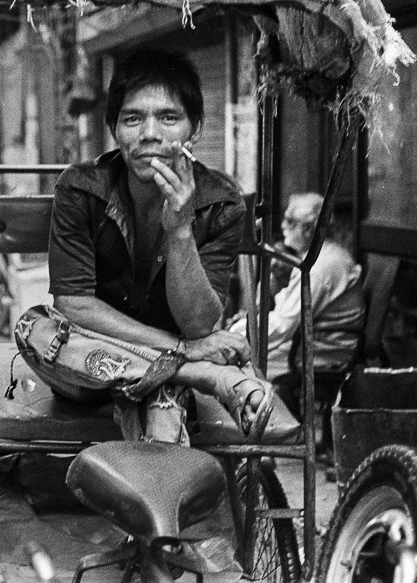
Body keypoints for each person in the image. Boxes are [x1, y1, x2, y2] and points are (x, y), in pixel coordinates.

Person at [39, 48, 273, 446]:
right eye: (133, 119)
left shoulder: (221, 203)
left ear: (194, 129)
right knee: (35, 327)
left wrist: (180, 229)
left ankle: (174, 380)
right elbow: (74, 305)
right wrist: (189, 353)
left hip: (160, 352)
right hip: (93, 356)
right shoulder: (80, 188)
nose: (150, 133)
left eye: (169, 118)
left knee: (160, 400)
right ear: (114, 129)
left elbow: (200, 324)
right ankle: (205, 377)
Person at [231, 193, 365, 440]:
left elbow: (283, 325)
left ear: (307, 229)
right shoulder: (319, 256)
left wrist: (235, 336)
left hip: (323, 350)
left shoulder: (320, 266)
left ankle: (285, 432)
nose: (282, 227)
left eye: (289, 221)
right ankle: (285, 428)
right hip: (311, 343)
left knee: (239, 366)